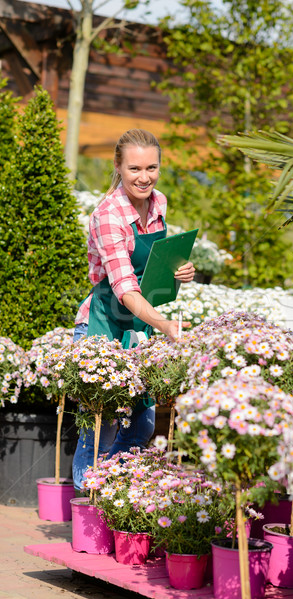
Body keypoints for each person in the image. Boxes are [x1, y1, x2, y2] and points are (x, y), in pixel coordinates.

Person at [72, 128, 195, 490]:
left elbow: (152, 266)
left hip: (138, 324)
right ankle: (89, 507)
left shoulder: (159, 202)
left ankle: (115, 498)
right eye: (135, 169)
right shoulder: (108, 215)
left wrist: (180, 271)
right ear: (118, 166)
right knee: (101, 427)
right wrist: (168, 326)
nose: (144, 177)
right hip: (104, 324)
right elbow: (125, 288)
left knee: (140, 425)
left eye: (152, 168)